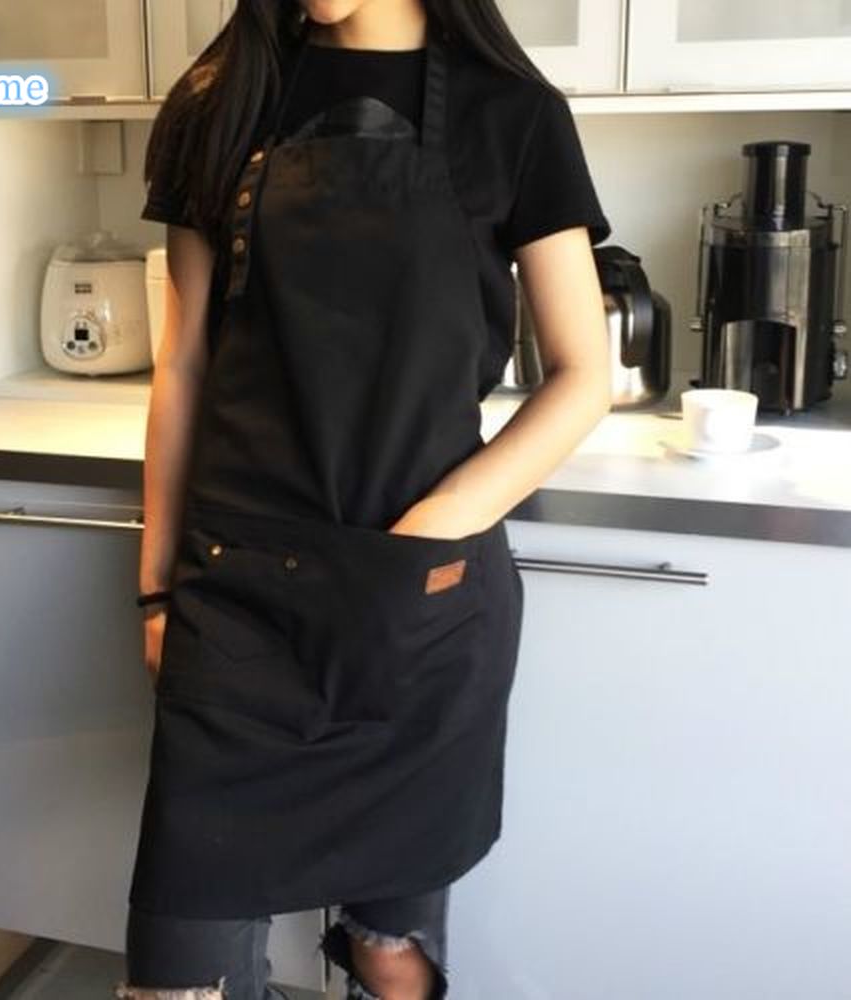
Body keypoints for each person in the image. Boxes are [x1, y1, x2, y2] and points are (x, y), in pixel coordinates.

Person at [117, 1, 612, 998]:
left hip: (418, 608)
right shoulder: (218, 103)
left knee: (392, 950)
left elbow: (580, 377)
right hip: (242, 600)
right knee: (178, 972)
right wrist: (155, 589)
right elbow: (186, 365)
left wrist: (417, 544)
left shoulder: (513, 114)